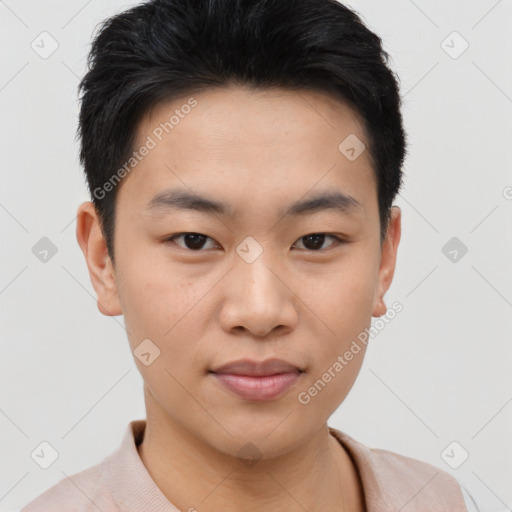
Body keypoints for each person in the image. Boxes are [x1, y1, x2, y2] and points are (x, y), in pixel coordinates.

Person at [21, 0, 480, 510]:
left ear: (383, 258)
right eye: (195, 240)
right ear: (103, 258)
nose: (260, 311)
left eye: (315, 240)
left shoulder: (439, 499)